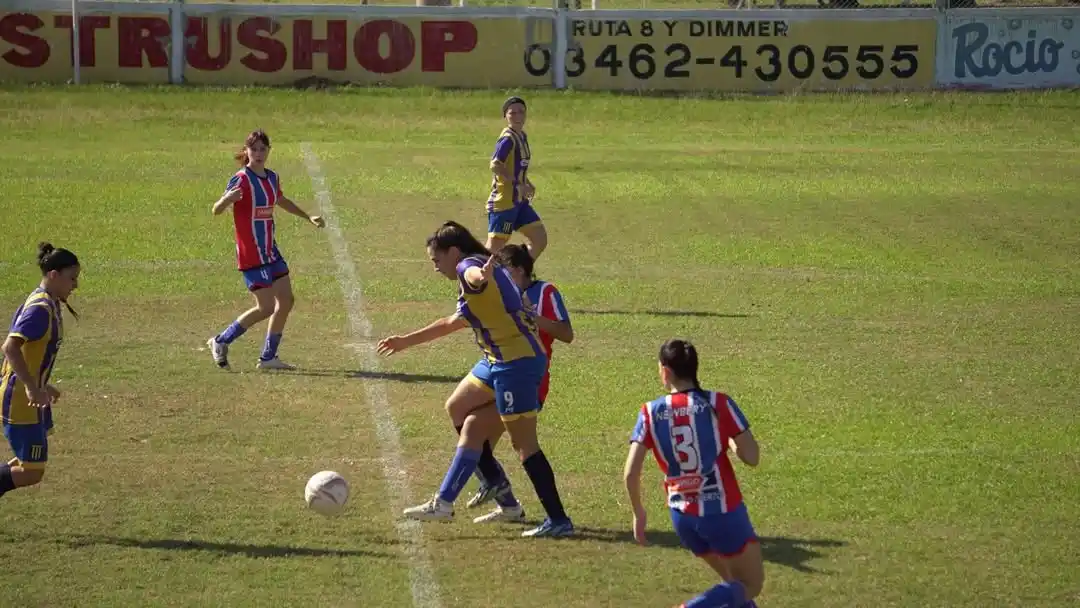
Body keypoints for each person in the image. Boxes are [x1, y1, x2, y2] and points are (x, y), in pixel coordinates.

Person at [377, 221, 573, 537]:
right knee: (458, 407)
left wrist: (477, 277)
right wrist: (405, 341)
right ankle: (499, 493)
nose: (436, 268)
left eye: (436, 261)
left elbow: (472, 276)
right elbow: (451, 322)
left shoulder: (471, 268)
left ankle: (558, 520)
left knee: (524, 445)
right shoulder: (478, 268)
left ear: (453, 252)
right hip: (496, 359)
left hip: (517, 364)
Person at [624, 339, 765, 608]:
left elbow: (631, 472)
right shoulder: (718, 403)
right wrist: (732, 441)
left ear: (665, 371)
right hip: (723, 513)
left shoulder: (649, 412)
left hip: (683, 518)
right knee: (751, 585)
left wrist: (638, 513)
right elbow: (752, 457)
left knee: (734, 586)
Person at [466, 243, 574, 519]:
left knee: (512, 442)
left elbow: (566, 333)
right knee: (476, 437)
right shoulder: (503, 295)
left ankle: (555, 517)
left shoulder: (545, 292)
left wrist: (532, 317)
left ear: (519, 269)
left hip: (530, 379)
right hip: (503, 373)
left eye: (504, 271)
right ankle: (506, 503)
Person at [206, 129, 325, 371]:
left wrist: (307, 216)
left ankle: (268, 357)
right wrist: (226, 200)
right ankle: (220, 341)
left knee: (286, 301)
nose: (259, 153)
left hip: (271, 251)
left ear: (269, 151)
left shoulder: (272, 177)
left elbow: (280, 200)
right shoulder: (241, 179)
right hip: (252, 254)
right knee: (266, 307)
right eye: (254, 149)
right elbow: (216, 210)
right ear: (246, 151)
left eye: (263, 149)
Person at [1, 242, 81, 499]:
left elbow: (27, 352)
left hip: (28, 396)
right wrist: (32, 387)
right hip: (20, 400)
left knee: (28, 462)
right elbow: (10, 347)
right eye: (72, 278)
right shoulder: (40, 309)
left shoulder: (48, 302)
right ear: (53, 275)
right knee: (31, 470)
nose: (75, 285)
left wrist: (41, 384)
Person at [485, 96, 547, 261]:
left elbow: (517, 166)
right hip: (504, 203)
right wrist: (518, 183)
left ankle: (517, 273)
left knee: (539, 239)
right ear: (505, 116)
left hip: (519, 203)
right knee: (493, 251)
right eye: (513, 112)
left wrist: (527, 183)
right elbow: (495, 165)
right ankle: (474, 280)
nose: (518, 116)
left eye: (521, 112)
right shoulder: (507, 140)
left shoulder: (522, 136)